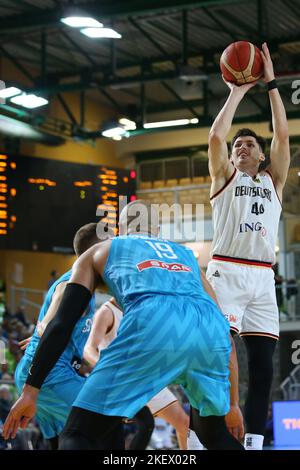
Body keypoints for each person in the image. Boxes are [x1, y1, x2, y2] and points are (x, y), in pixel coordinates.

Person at [3, 200, 244, 450]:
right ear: (158, 230)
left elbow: (61, 324)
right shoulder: (186, 257)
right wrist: (234, 403)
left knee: (78, 433)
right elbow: (225, 335)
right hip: (209, 332)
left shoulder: (104, 249)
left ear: (120, 229)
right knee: (214, 437)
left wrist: (30, 392)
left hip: (153, 324)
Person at [206, 43, 290, 450]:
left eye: (250, 145)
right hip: (226, 272)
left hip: (263, 280)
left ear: (261, 155)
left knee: (262, 369)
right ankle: (206, 439)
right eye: (238, 145)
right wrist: (237, 89)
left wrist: (271, 83)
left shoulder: (274, 182)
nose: (241, 147)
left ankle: (254, 444)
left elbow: (284, 133)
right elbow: (216, 136)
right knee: (216, 362)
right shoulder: (224, 177)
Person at [12, 222, 111, 450]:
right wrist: (46, 334)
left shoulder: (87, 285)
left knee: (59, 441)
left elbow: (59, 328)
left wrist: (42, 340)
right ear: (95, 252)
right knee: (106, 419)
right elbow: (50, 324)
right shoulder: (71, 283)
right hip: (52, 375)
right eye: (110, 248)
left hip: (44, 372)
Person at [83, 298, 189, 449]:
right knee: (136, 429)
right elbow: (88, 349)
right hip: (120, 384)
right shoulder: (107, 312)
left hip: (145, 379)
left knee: (184, 424)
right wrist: (107, 370)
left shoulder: (138, 310)